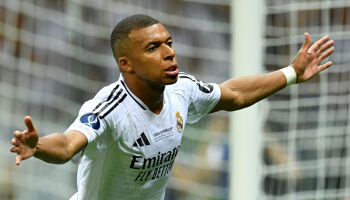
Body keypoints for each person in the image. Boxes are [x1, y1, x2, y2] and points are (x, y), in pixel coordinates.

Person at [9, 14, 335, 200]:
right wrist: (37, 147)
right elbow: (67, 145)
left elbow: (232, 93)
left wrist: (291, 73)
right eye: (153, 47)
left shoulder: (182, 90)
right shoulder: (110, 108)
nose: (168, 53)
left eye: (169, 42)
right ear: (127, 64)